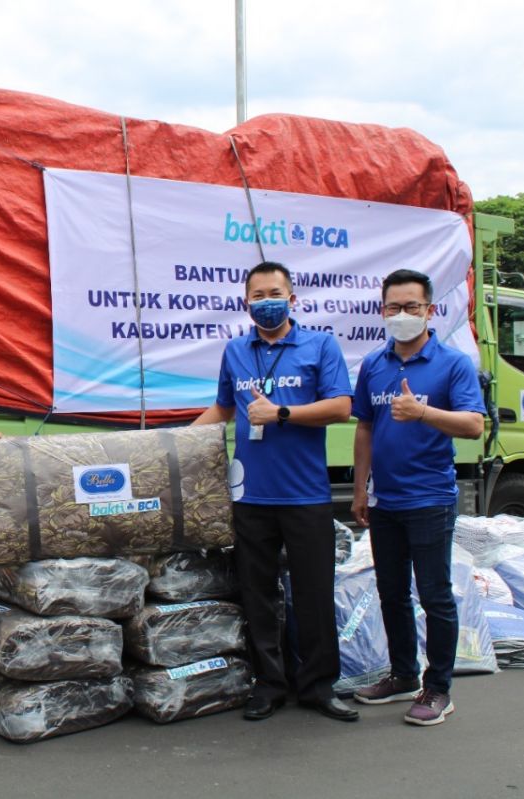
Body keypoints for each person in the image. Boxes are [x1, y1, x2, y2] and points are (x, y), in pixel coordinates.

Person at [193, 261, 357, 723]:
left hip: (304, 494)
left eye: (275, 293)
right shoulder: (235, 351)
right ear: (246, 303)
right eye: (258, 295)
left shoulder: (320, 345)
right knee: (257, 594)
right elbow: (224, 407)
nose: (267, 302)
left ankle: (320, 686)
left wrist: (283, 413)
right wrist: (173, 442)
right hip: (250, 496)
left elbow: (342, 407)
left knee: (313, 594)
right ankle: (269, 684)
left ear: (292, 299)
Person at [350, 268, 485, 726]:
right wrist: (361, 489)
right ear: (382, 311)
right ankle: (403, 674)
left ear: (430, 311)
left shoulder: (453, 364)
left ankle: (438, 687)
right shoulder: (374, 364)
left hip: (430, 499)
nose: (402, 315)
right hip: (384, 502)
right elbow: (365, 427)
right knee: (391, 593)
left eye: (412, 307)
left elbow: (473, 425)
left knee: (435, 595)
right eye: (394, 307)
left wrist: (423, 411)